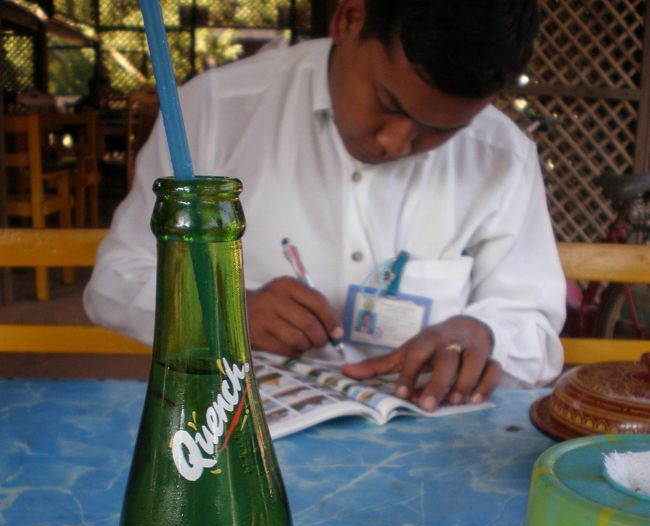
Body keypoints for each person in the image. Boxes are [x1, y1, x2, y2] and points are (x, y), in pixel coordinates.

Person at [84, 0, 566, 411]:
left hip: (421, 446)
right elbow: (117, 279)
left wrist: (483, 334)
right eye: (388, 102)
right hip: (232, 432)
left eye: (441, 130)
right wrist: (224, 313)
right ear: (349, 19)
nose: (395, 143)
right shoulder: (214, 111)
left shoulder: (500, 157)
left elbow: (535, 329)